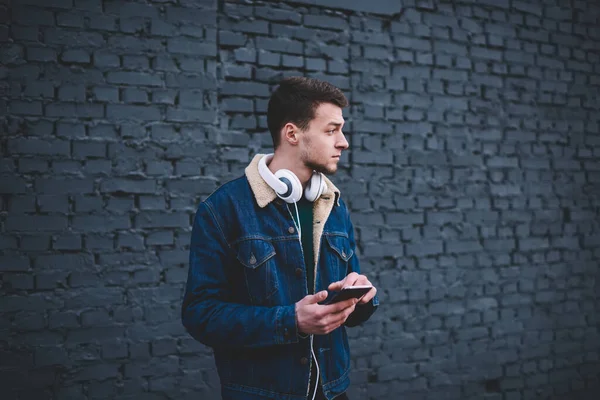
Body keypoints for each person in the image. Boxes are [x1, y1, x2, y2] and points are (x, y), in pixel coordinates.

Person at [182, 76, 379, 400]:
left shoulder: (333, 204)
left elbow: (350, 309)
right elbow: (201, 315)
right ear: (292, 133)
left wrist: (361, 299)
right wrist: (291, 320)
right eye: (331, 130)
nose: (343, 142)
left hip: (332, 391)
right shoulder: (223, 209)